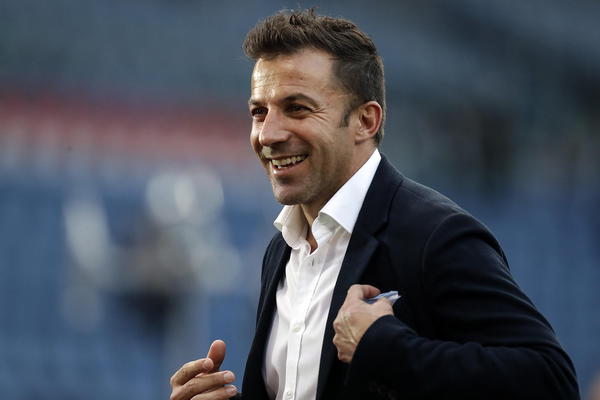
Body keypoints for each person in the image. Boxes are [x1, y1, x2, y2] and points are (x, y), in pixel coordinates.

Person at [169, 9, 579, 400]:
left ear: (366, 121)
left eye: (297, 109)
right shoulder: (282, 248)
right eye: (259, 112)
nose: (268, 134)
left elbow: (550, 380)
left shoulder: (433, 234)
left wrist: (386, 350)